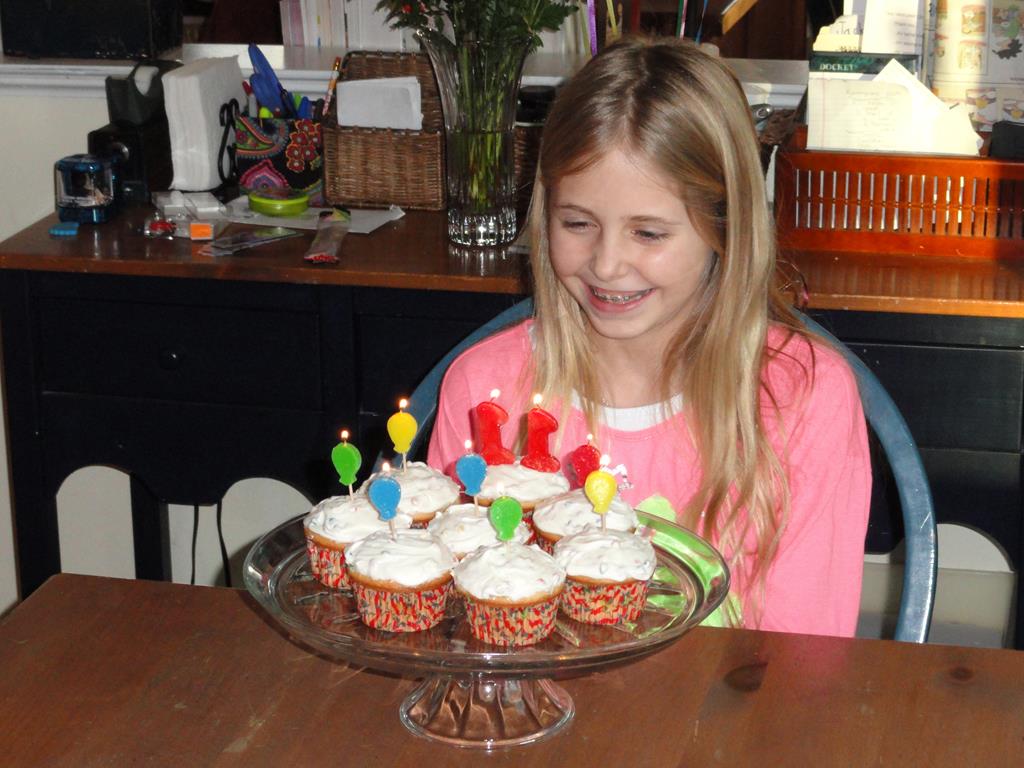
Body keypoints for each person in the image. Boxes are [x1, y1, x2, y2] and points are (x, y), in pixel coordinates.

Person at [427, 37, 870, 637]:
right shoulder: (484, 391)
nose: (607, 264)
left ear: (725, 229)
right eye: (577, 223)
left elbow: (803, 659)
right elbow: (450, 626)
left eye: (649, 233)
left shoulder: (804, 399)